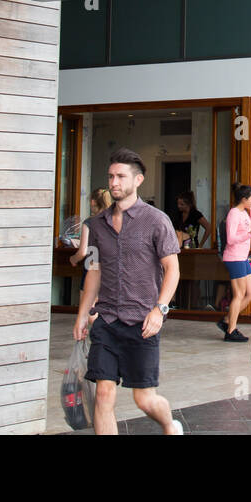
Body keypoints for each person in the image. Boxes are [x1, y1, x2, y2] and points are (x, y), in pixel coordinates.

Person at [73, 148, 182, 435]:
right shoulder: (96, 225)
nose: (114, 182)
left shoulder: (157, 220)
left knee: (144, 399)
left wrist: (160, 310)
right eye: (111, 176)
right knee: (104, 394)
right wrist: (82, 315)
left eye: (121, 176)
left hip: (143, 322)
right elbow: (94, 271)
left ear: (138, 180)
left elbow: (173, 270)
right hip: (107, 320)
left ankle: (170, 425)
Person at [218, 183, 251, 342]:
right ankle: (231, 330)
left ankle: (227, 320)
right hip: (234, 257)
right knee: (239, 294)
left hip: (242, 257)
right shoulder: (234, 213)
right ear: (243, 199)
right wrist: (249, 235)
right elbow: (231, 238)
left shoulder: (244, 213)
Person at [69, 188, 111, 267]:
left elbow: (82, 253)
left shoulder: (89, 222)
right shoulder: (116, 221)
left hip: (93, 269)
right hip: (112, 271)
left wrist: (73, 259)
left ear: (93, 202)